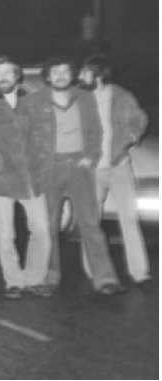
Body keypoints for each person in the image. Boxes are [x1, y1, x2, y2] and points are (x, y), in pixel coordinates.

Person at [26, 57, 126, 296]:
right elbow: (25, 135)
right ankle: (49, 277)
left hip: (79, 169)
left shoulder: (85, 98)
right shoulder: (34, 101)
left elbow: (95, 130)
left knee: (90, 224)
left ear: (72, 75)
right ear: (48, 76)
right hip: (49, 169)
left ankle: (105, 278)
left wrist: (92, 155)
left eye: (65, 71)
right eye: (55, 71)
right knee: (48, 225)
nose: (61, 75)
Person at [0, 56, 52, 299]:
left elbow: (44, 132)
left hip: (32, 177)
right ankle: (13, 281)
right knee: (5, 234)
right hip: (3, 177)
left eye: (8, 73)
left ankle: (35, 278)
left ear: (17, 75)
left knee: (41, 229)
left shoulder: (34, 100)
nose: (3, 77)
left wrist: (41, 161)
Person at [78, 55, 151, 286]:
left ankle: (139, 272)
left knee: (130, 218)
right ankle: (93, 269)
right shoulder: (80, 98)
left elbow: (139, 117)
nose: (80, 76)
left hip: (119, 165)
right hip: (93, 169)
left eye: (85, 72)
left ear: (98, 75)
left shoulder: (120, 95)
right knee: (91, 220)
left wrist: (132, 136)